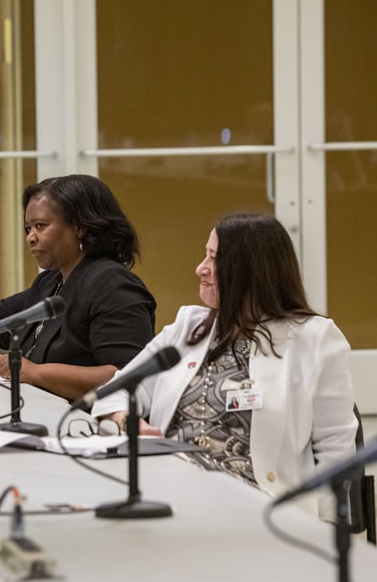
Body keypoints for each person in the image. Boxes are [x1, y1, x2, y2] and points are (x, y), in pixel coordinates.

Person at [92, 213, 358, 518]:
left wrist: (320, 529)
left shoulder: (314, 338)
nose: (200, 269)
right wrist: (131, 423)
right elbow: (112, 394)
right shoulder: (187, 327)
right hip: (169, 493)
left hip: (259, 505)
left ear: (250, 271)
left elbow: (336, 449)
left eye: (213, 259)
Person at [0, 175, 156, 401]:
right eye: (29, 228)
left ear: (80, 227)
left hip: (86, 429)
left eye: (41, 226)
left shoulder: (114, 286)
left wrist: (35, 372)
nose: (30, 237)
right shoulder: (52, 281)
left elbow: (131, 377)